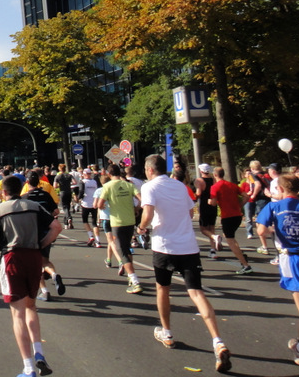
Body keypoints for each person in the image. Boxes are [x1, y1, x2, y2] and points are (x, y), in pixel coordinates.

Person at [137, 154, 232, 374]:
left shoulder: (149, 187)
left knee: (163, 289)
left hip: (164, 246)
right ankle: (217, 341)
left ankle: (167, 332)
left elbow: (148, 214)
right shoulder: (179, 186)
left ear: (150, 169)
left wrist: (142, 228)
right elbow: (190, 212)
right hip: (188, 245)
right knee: (197, 293)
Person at [0, 176, 63, 377]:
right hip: (34, 256)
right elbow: (57, 227)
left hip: (12, 258)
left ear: (3, 192)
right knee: (31, 306)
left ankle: (28, 366)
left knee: (17, 313)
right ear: (21, 189)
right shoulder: (34, 206)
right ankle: (39, 351)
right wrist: (42, 244)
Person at [257, 173, 299, 367]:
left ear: (280, 189)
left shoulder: (273, 207)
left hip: (294, 260)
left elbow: (261, 231)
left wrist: (274, 229)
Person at [96, 164, 143, 294]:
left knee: (121, 251)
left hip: (117, 222)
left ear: (109, 174)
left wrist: (110, 204)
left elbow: (99, 205)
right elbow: (141, 199)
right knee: (127, 248)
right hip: (130, 221)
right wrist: (136, 208)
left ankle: (135, 281)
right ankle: (130, 276)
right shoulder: (128, 185)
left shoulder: (107, 186)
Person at [24, 170, 66, 301]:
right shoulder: (46, 195)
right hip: (47, 231)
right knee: (45, 260)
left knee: (35, 264)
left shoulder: (25, 197)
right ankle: (54, 274)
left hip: (32, 233)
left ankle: (44, 291)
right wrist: (47, 218)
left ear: (27, 182)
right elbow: (56, 211)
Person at [208, 167, 253, 274]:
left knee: (230, 241)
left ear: (215, 175)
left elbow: (213, 203)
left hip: (227, 216)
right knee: (229, 236)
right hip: (237, 215)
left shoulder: (215, 187)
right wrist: (240, 205)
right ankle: (241, 255)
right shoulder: (232, 185)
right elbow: (246, 196)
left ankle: (245, 265)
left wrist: (209, 202)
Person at [194, 163, 220, 259]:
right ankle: (213, 250)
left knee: (203, 229)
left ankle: (215, 237)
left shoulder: (199, 180)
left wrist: (193, 197)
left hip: (204, 205)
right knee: (212, 227)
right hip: (213, 204)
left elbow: (199, 193)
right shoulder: (214, 180)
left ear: (201, 171)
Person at [79, 169, 102, 247]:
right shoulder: (95, 181)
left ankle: (91, 236)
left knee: (85, 221)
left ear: (84, 174)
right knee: (94, 223)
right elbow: (99, 190)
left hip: (85, 203)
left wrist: (79, 198)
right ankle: (98, 241)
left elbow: (81, 191)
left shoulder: (83, 182)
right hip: (94, 203)